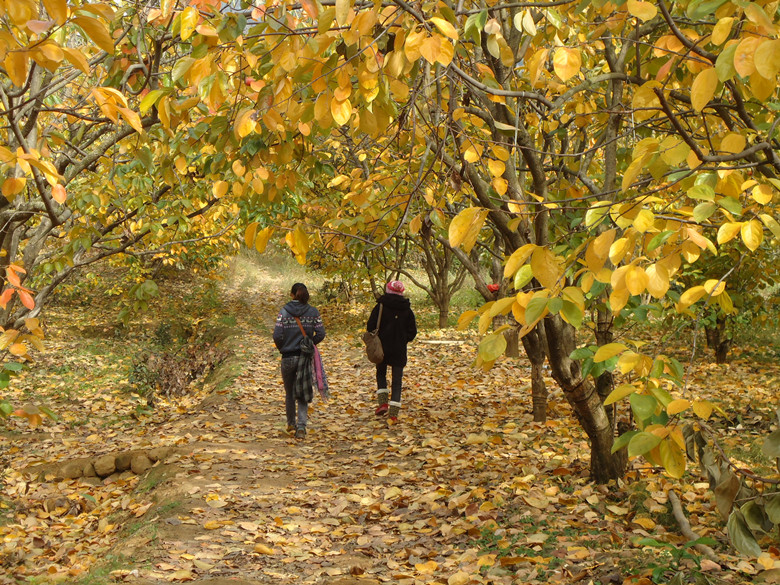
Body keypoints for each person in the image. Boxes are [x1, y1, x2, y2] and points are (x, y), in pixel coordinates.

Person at [273, 283, 326, 440]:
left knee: (289, 393)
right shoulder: (313, 312)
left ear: (292, 295)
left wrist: (283, 348)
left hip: (288, 358)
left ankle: (291, 424)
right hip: (304, 358)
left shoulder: (284, 312)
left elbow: (277, 335)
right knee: (302, 391)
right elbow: (321, 333)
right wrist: (309, 343)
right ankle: (301, 426)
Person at [367, 280, 417, 423]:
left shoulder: (380, 306)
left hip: (381, 348)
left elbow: (370, 326)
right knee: (397, 381)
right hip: (399, 349)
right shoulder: (407, 310)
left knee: (381, 373)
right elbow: (412, 332)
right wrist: (403, 339)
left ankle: (383, 404)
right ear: (401, 292)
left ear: (388, 290)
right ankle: (393, 414)